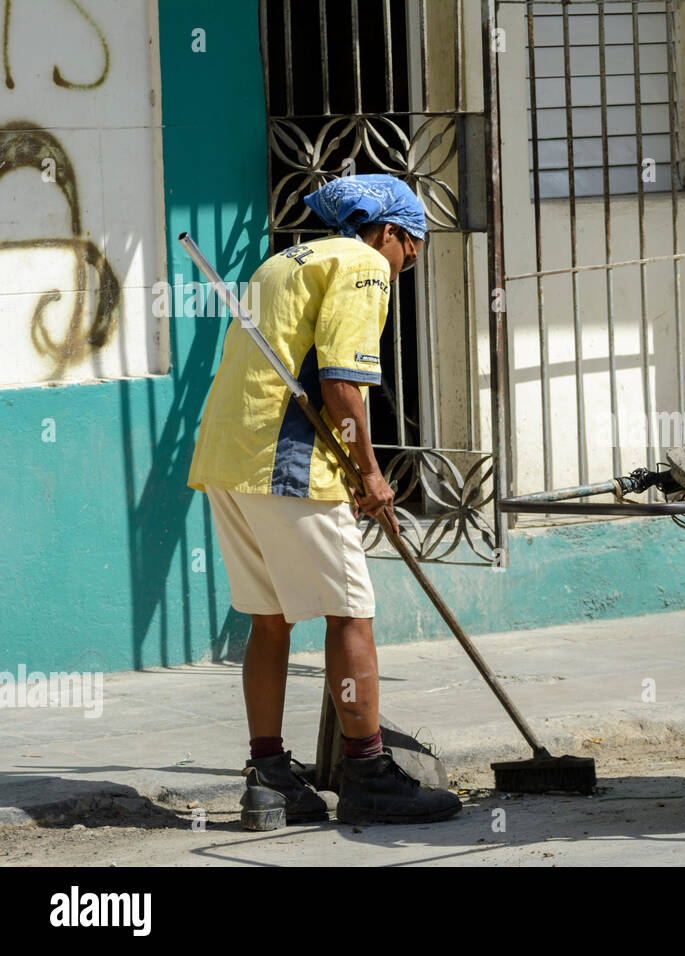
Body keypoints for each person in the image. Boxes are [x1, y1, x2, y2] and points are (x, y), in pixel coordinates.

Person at [187, 174, 461, 829]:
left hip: (226, 459)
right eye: (413, 245)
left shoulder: (285, 260)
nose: (412, 261)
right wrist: (369, 473)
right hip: (286, 465)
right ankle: (368, 775)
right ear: (388, 231)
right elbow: (341, 387)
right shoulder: (365, 265)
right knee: (349, 614)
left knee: (269, 619)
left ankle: (268, 779)